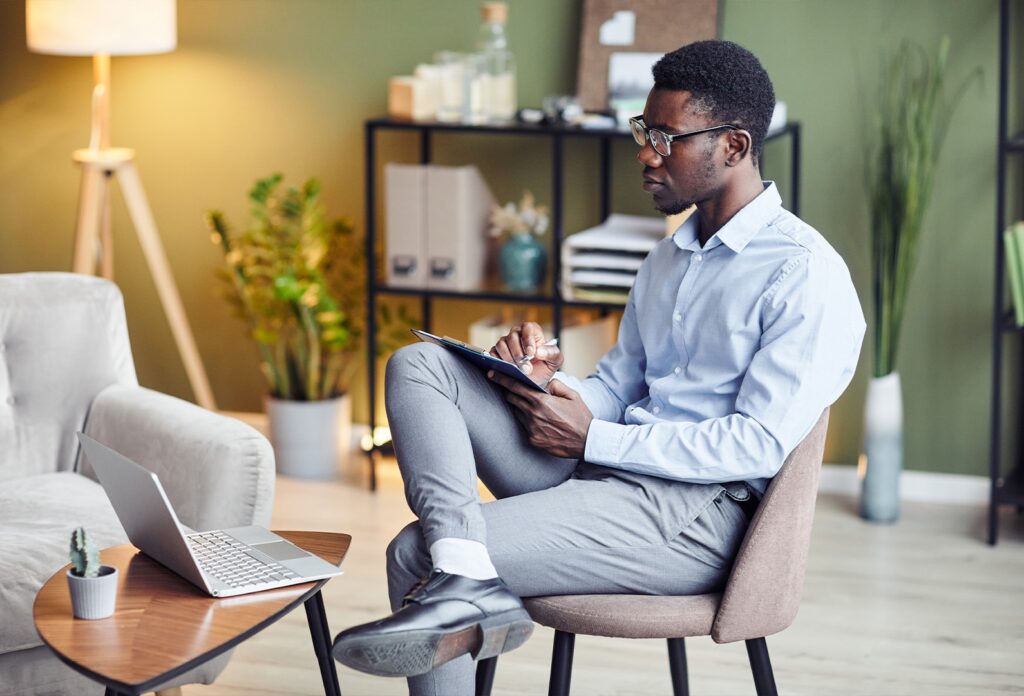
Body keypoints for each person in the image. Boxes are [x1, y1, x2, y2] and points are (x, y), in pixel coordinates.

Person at [332, 39, 865, 695]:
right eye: (646, 131)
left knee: (417, 553)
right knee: (422, 365)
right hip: (607, 469)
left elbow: (755, 444)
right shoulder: (669, 258)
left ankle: (460, 578)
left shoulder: (803, 274)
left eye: (668, 137)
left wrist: (595, 437)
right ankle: (467, 578)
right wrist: (548, 383)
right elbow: (619, 385)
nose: (646, 152)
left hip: (693, 517)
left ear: (733, 147)